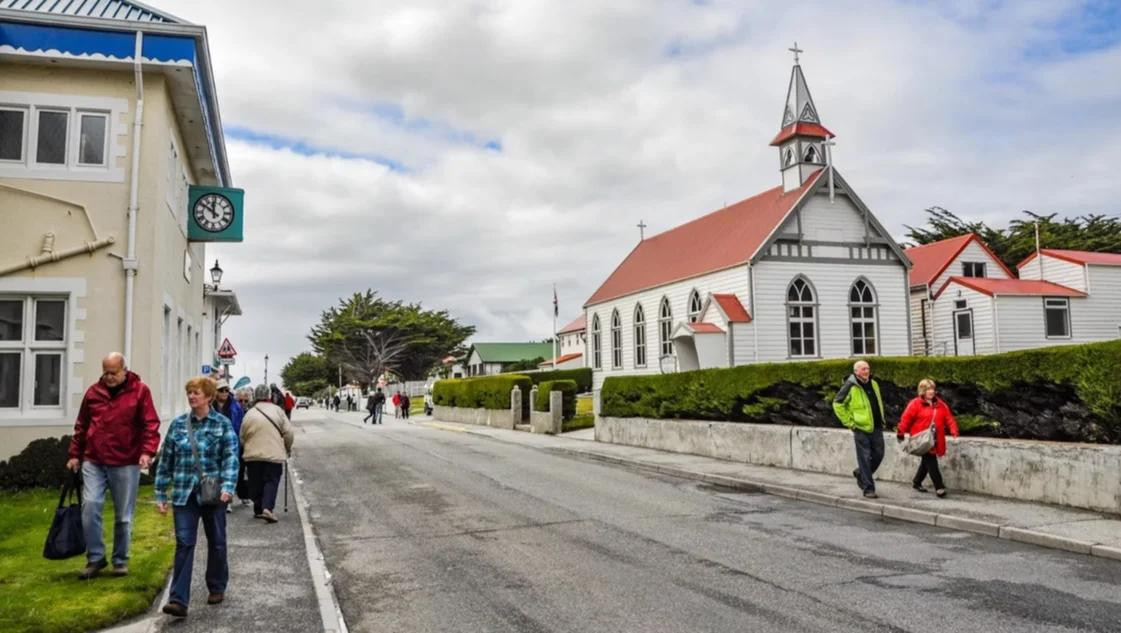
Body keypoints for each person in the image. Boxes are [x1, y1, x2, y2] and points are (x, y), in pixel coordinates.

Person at [67, 352, 160, 580]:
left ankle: (120, 560)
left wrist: (147, 452)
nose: (108, 377)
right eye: (105, 372)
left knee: (123, 516)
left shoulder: (140, 391)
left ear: (124, 370)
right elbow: (82, 425)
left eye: (113, 373)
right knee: (90, 506)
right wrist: (74, 455)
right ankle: (96, 557)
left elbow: (150, 424)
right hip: (94, 459)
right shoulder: (93, 392)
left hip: (126, 461)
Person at [154, 376, 239, 618]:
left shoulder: (222, 425)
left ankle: (216, 585)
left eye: (196, 392)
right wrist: (160, 493)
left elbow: (231, 458)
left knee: (217, 541)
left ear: (209, 397)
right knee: (184, 543)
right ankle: (178, 600)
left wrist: (228, 487)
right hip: (184, 494)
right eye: (189, 392)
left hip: (213, 494)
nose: (191, 396)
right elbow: (165, 461)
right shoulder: (179, 425)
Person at [832, 360, 887, 499]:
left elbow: (878, 403)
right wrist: (850, 422)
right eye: (863, 369)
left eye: (867, 368)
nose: (866, 371)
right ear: (856, 371)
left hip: (876, 426)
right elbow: (837, 403)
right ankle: (868, 488)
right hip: (860, 428)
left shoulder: (874, 383)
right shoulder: (850, 385)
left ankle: (860, 473)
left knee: (879, 454)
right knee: (864, 458)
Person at [897, 379, 960, 498]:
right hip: (922, 439)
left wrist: (954, 431)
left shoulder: (941, 405)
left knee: (927, 461)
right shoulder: (915, 404)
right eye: (928, 389)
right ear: (922, 391)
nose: (931, 392)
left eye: (932, 389)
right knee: (931, 460)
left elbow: (949, 419)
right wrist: (901, 432)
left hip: (936, 438)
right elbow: (906, 419)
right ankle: (939, 487)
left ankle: (917, 481)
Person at [240, 384, 294, 523]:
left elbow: (242, 435)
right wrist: (288, 448)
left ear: (255, 396)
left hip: (253, 455)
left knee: (255, 481)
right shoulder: (277, 411)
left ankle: (258, 509)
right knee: (271, 480)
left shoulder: (249, 413)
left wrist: (245, 447)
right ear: (270, 396)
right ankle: (267, 508)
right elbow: (288, 433)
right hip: (273, 453)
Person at [214, 379, 248, 509]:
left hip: (232, 443)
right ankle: (220, 497)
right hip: (215, 443)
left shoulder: (235, 406)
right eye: (221, 390)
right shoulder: (210, 405)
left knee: (231, 471)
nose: (224, 393)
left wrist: (240, 442)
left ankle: (228, 498)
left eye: (226, 390)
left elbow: (241, 425)